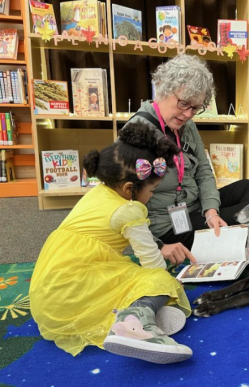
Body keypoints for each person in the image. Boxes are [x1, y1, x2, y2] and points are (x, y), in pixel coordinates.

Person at [30, 123, 194, 364]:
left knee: (128, 275)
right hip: (74, 286)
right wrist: (167, 280)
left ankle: (132, 316)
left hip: (49, 296)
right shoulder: (129, 210)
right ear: (130, 189)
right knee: (161, 280)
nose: (152, 197)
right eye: (153, 190)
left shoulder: (96, 193)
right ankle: (135, 320)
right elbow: (153, 266)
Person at [124, 55, 249, 264]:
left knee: (247, 189)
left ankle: (238, 237)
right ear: (163, 88)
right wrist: (158, 246)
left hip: (193, 206)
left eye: (195, 108)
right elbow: (124, 203)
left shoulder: (185, 124)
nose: (188, 114)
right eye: (183, 104)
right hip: (169, 226)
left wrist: (211, 211)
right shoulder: (137, 132)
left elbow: (203, 171)